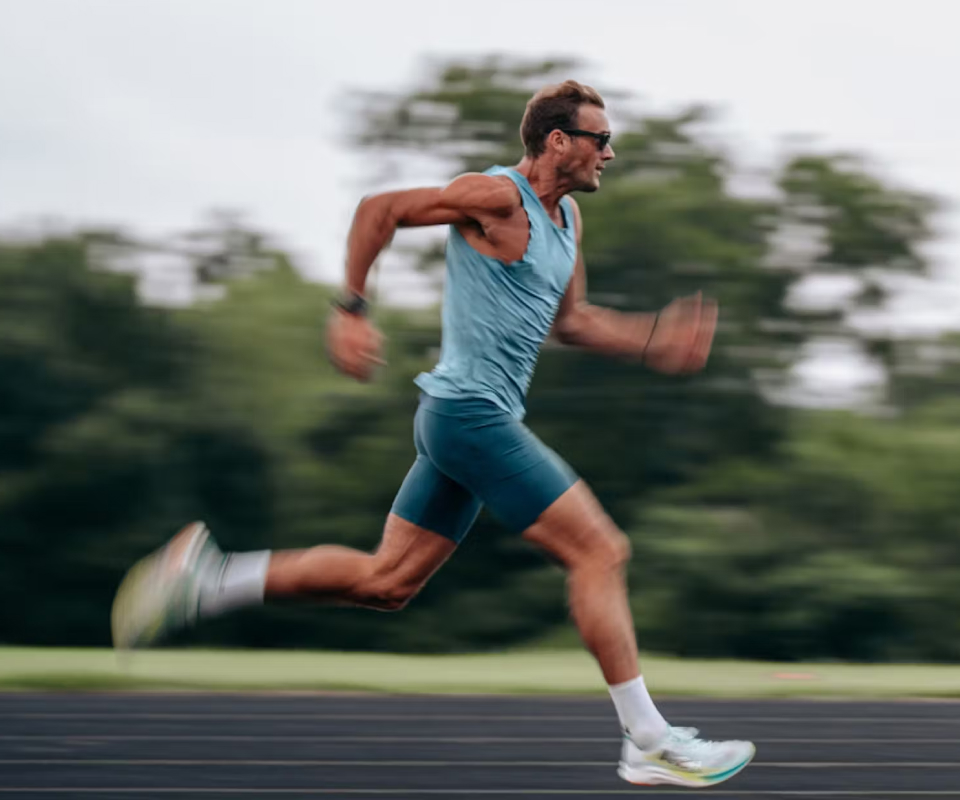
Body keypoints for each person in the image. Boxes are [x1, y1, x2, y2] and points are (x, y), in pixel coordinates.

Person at [111, 80, 755, 788]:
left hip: (472, 422)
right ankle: (649, 739)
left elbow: (573, 320)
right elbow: (379, 209)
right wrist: (352, 308)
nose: (611, 151)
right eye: (601, 138)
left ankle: (207, 579)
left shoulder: (567, 221)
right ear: (558, 142)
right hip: (467, 416)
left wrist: (651, 340)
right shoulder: (495, 196)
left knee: (386, 583)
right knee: (600, 550)